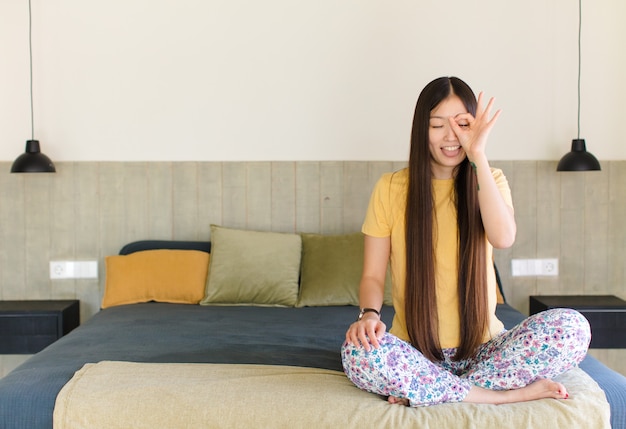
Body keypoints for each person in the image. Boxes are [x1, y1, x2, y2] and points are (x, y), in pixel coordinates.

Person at [342, 76, 591, 406]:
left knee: (573, 328)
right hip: (415, 349)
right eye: (437, 125)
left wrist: (478, 155)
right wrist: (369, 316)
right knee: (356, 354)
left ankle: (430, 390)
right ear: (421, 130)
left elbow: (503, 237)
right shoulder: (390, 188)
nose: (451, 136)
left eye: (462, 124)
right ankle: (498, 396)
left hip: (484, 348)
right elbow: (372, 276)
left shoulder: (491, 178)